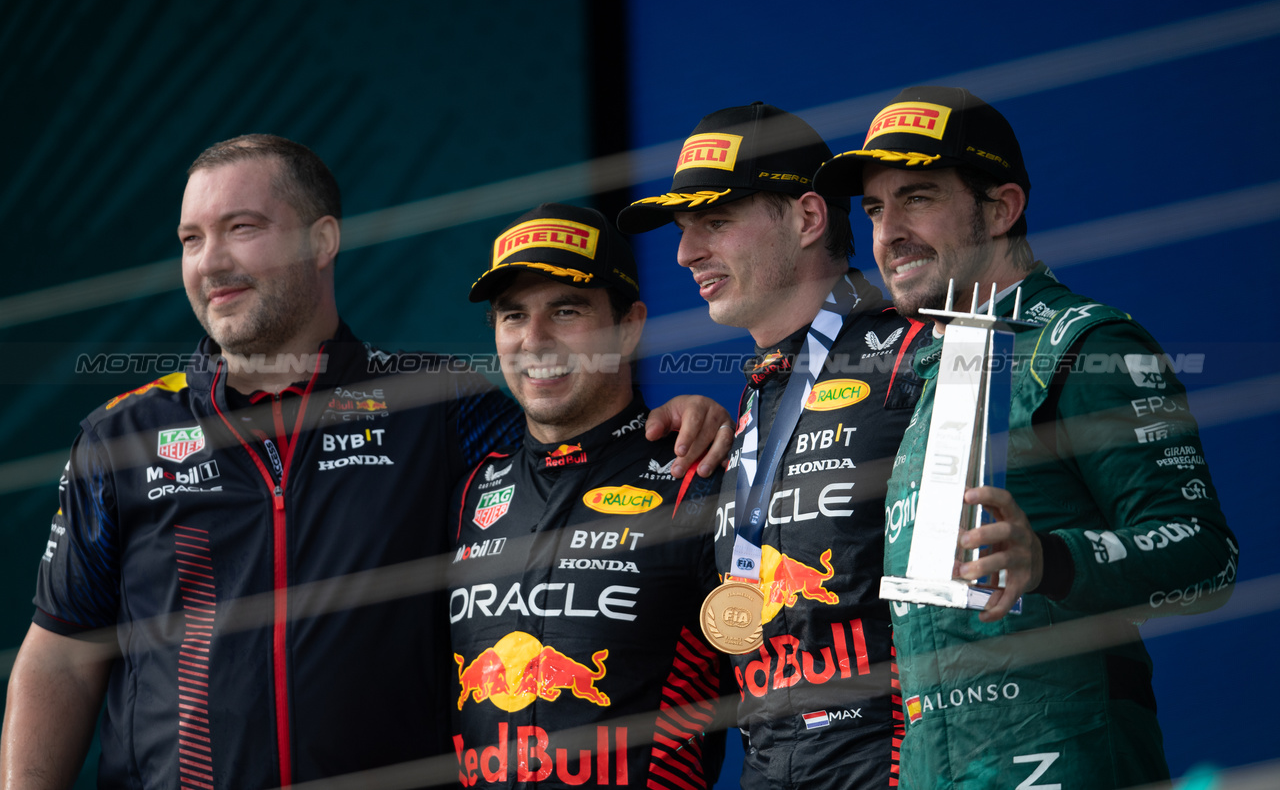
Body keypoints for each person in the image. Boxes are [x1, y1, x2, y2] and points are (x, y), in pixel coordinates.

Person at [0, 136, 732, 790]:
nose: (210, 260)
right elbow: (60, 655)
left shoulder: (442, 403)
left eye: (242, 229)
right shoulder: (120, 434)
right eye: (191, 238)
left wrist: (682, 416)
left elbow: (573, 437)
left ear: (323, 240)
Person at [812, 85, 1239, 788]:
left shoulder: (1089, 344)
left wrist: (1051, 559)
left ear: (1002, 208)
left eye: (917, 197)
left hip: (1071, 757)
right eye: (876, 208)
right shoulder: (929, 371)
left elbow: (1206, 556)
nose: (888, 233)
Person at [618, 104, 927, 789]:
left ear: (808, 218)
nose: (684, 252)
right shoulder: (758, 396)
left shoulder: (918, 358)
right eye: (682, 229)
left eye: (715, 221)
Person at [448, 203, 726, 788]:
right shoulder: (471, 492)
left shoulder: (700, 475)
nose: (534, 340)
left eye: (566, 311)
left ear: (628, 325)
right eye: (512, 316)